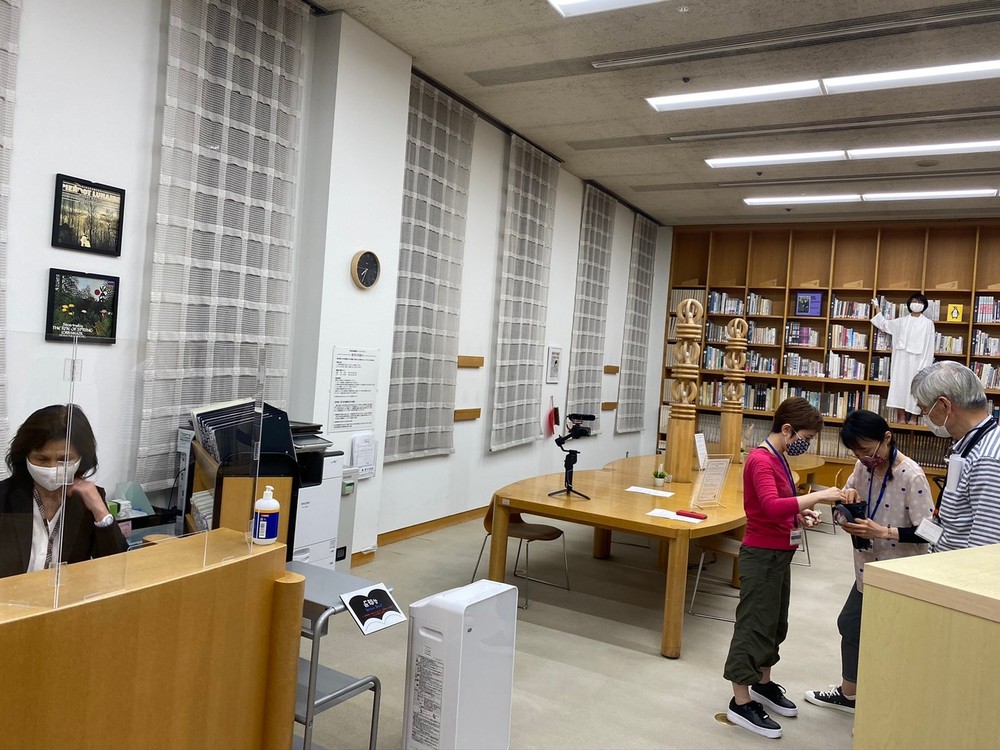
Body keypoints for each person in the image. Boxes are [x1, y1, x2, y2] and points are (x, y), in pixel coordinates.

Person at [723, 397, 846, 739]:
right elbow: (771, 506)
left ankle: (763, 683)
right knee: (753, 625)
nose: (806, 444)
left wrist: (800, 513)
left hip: (780, 552)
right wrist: (818, 496)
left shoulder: (778, 457)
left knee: (775, 623)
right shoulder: (761, 459)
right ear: (787, 429)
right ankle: (740, 701)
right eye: (805, 437)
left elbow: (781, 505)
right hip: (762, 554)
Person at [804, 410, 933, 714]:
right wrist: (846, 503)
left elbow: (930, 532)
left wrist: (883, 531)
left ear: (887, 438)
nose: (862, 457)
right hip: (868, 567)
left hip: (900, 573)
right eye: (855, 452)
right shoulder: (862, 467)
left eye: (865, 449)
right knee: (851, 625)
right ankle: (851, 695)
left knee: (887, 637)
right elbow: (848, 500)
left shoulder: (912, 475)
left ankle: (888, 705)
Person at [0, 404, 126, 578]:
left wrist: (100, 510)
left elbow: (117, 568)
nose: (52, 468)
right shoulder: (4, 496)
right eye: (42, 459)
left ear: (81, 458)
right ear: (25, 457)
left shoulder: (88, 499)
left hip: (67, 593)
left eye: (64, 459)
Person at [910, 361, 1000, 551]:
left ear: (944, 405)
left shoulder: (987, 459)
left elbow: (985, 549)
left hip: (961, 568)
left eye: (924, 409)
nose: (924, 416)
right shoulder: (968, 445)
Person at [870, 293, 935, 423]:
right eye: (915, 301)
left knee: (916, 389)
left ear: (924, 306)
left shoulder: (928, 323)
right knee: (899, 386)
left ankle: (914, 417)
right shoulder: (901, 321)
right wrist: (877, 307)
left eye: (920, 302)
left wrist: (925, 365)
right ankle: (901, 416)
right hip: (901, 359)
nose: (917, 304)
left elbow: (929, 346)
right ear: (909, 304)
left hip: (918, 360)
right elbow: (883, 324)